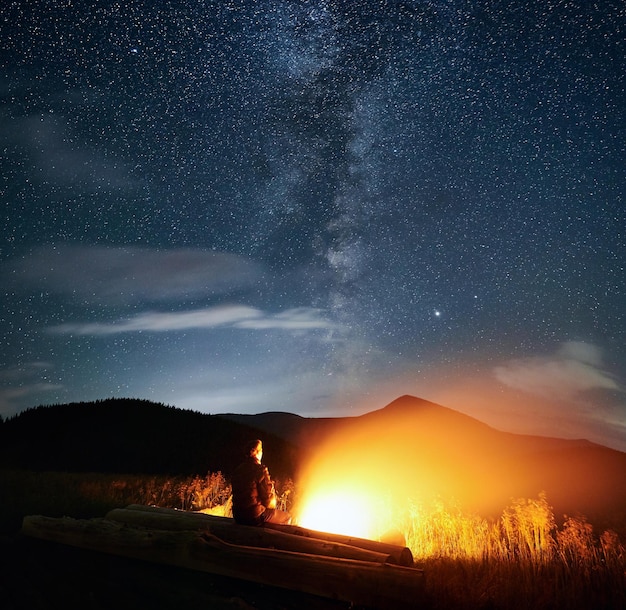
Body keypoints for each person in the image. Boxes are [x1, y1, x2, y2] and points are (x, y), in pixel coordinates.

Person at [231, 439, 292, 526]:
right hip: (253, 516)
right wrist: (270, 506)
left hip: (237, 516)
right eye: (261, 450)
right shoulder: (260, 470)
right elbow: (268, 498)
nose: (262, 453)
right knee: (286, 517)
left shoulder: (238, 470)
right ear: (257, 452)